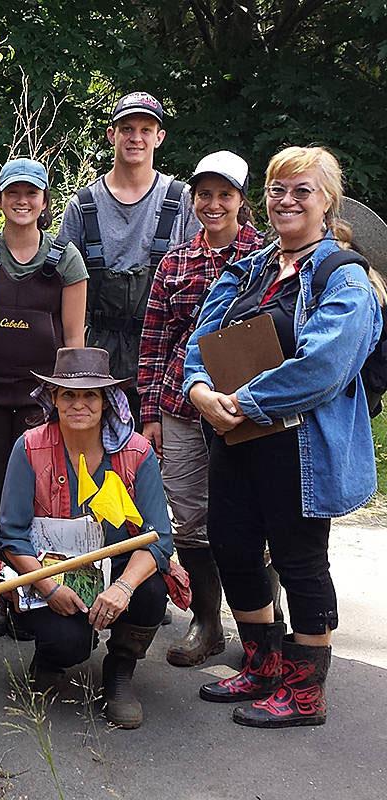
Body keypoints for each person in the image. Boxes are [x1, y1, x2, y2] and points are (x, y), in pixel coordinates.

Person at [184, 146, 381, 728]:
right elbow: (202, 337)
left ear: (328, 202)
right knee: (232, 546)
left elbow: (325, 365)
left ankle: (305, 694)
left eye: (302, 190)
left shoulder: (342, 275)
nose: (287, 200)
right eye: (277, 189)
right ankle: (263, 664)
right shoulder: (252, 266)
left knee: (299, 562)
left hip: (300, 446)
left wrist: (243, 403)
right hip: (234, 437)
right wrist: (199, 390)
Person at [0, 347, 173, 729]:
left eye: (90, 395)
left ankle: (120, 670)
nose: (80, 404)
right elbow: (11, 534)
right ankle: (51, 657)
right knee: (66, 641)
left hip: (118, 568)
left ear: (107, 402)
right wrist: (47, 588)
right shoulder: (29, 447)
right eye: (69, 395)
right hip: (52, 567)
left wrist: (124, 588)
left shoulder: (137, 453)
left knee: (151, 590)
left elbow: (158, 539)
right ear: (54, 399)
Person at [136, 151, 263, 667]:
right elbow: (153, 341)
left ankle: (260, 629)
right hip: (180, 407)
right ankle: (207, 623)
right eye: (204, 194)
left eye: (224, 195)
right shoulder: (176, 261)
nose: (213, 204)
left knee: (253, 517)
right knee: (188, 519)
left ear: (241, 200)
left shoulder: (267, 256)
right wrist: (149, 415)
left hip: (247, 408)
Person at [0, 157, 87, 639]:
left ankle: (30, 591)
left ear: (44, 200)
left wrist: (70, 401)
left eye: (31, 193)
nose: (22, 201)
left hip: (41, 397)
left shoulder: (65, 260)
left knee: (39, 494)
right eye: (12, 192)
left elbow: (74, 337)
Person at [56, 92, 199, 411]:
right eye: (127, 129)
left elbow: (200, 280)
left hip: (164, 357)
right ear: (112, 135)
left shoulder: (183, 201)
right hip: (95, 360)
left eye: (146, 130)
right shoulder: (82, 206)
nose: (136, 138)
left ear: (159, 137)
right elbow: (62, 290)